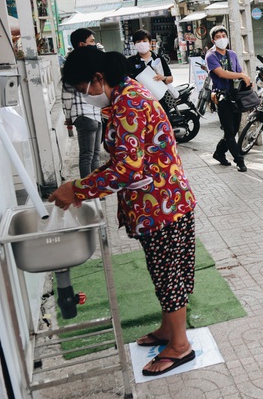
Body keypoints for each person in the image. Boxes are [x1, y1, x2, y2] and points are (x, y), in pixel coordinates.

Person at [48, 47, 198, 376]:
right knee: (165, 272)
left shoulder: (129, 103)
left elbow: (126, 170)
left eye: (82, 88)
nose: (84, 96)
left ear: (98, 79)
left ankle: (180, 346)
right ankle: (167, 329)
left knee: (169, 274)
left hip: (161, 205)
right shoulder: (125, 96)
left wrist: (76, 189)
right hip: (161, 201)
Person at [206, 25, 249, 172]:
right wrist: (242, 75)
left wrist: (245, 78)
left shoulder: (232, 54)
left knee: (233, 130)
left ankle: (219, 153)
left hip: (235, 96)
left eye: (223, 36)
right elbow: (221, 73)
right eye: (218, 37)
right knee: (230, 131)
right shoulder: (211, 56)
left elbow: (239, 71)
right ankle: (239, 160)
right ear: (213, 40)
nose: (221, 39)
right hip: (221, 97)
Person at [62, 29, 103, 177]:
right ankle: (93, 190)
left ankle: (90, 191)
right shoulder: (93, 62)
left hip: (85, 115)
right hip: (93, 114)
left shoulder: (70, 65)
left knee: (87, 155)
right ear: (81, 44)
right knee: (94, 155)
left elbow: (66, 95)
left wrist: (68, 117)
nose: (94, 44)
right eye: (91, 41)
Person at [127, 30, 174, 108]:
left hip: (161, 99)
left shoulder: (158, 58)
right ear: (134, 44)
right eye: (138, 41)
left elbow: (170, 79)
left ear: (150, 42)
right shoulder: (130, 62)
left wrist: (163, 78)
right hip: (141, 101)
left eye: (144, 41)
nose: (142, 43)